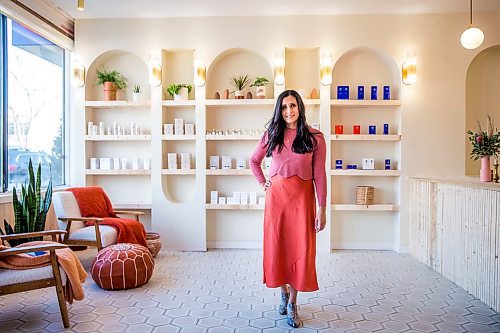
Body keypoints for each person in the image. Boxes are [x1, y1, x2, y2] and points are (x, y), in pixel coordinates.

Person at [250, 89, 327, 328]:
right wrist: (263, 183)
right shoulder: (272, 134)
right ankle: (282, 293)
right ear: (279, 110)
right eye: (284, 107)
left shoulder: (315, 137)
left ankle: (293, 303)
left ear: (300, 108)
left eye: (292, 106)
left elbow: (320, 175)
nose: (288, 111)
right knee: (278, 248)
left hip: (302, 203)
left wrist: (322, 207)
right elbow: (253, 161)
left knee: (300, 250)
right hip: (277, 202)